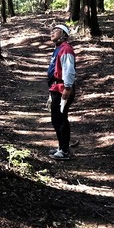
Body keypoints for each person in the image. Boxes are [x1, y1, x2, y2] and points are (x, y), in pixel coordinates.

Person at [47, 24, 76, 160]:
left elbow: (69, 70)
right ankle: (61, 147)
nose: (52, 32)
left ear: (64, 34)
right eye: (52, 30)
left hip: (62, 89)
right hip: (56, 88)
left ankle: (64, 151)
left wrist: (67, 88)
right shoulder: (58, 49)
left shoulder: (66, 49)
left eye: (56, 30)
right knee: (57, 119)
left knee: (60, 119)